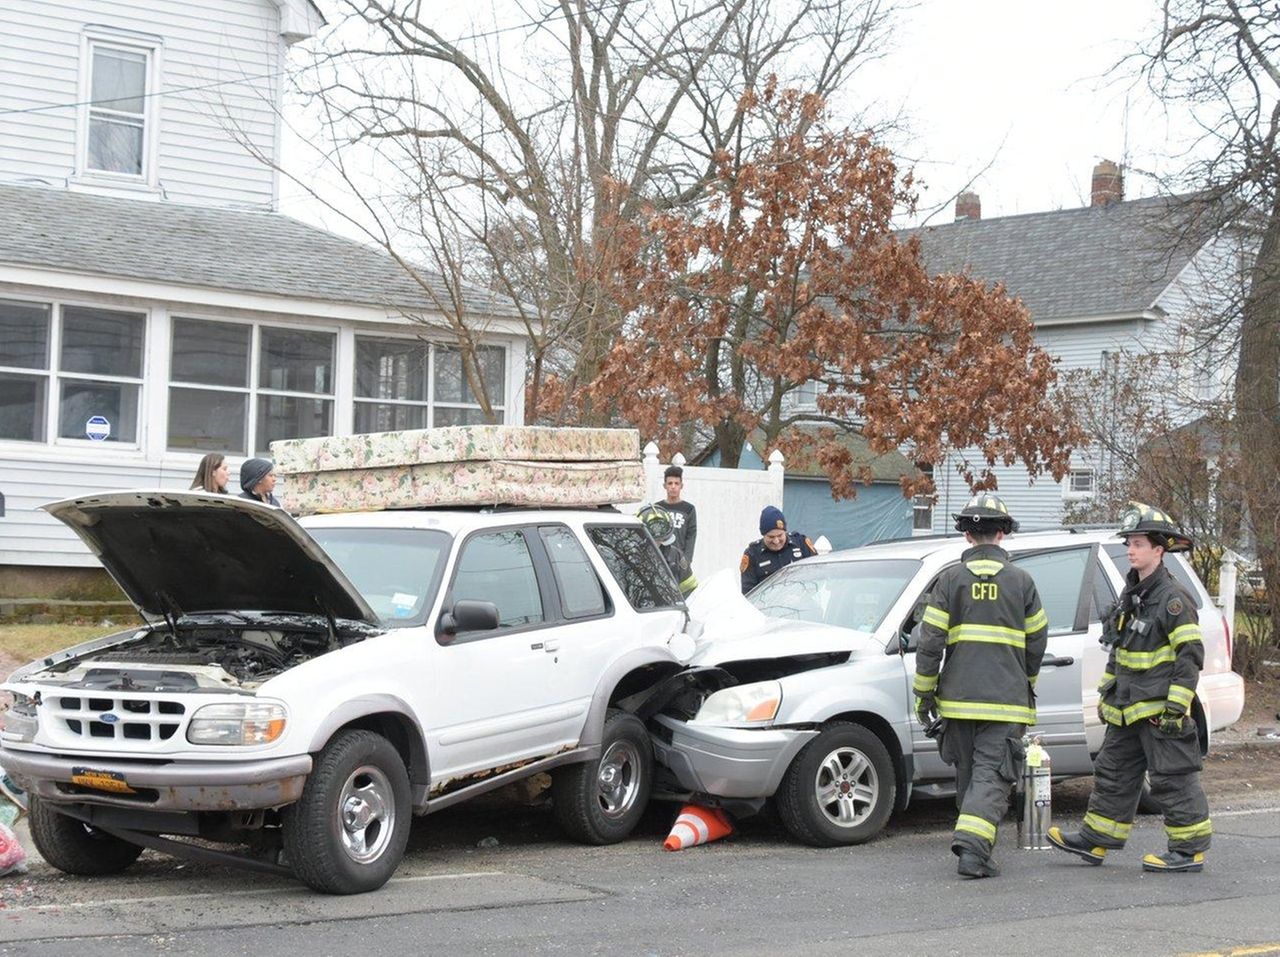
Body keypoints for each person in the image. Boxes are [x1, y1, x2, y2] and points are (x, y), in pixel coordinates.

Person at [1048, 502, 1211, 873]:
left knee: (1172, 779)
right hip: (1126, 709)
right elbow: (1119, 649)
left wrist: (1176, 708)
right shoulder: (1133, 594)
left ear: (1159, 550)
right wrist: (1108, 693)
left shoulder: (1172, 599)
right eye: (1129, 544)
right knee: (1113, 773)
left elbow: (1189, 656)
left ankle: (1188, 852)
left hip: (1158, 712)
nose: (1131, 551)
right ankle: (1096, 839)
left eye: (1138, 544)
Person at [914, 493, 1047, 879]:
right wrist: (1026, 682)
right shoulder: (1022, 582)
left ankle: (974, 843)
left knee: (971, 775)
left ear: (967, 536)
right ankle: (973, 849)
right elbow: (1037, 643)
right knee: (992, 775)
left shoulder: (949, 581)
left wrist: (924, 694)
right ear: (1002, 533)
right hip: (1005, 702)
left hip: (957, 702)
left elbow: (929, 642)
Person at [740, 506, 816, 594]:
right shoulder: (752, 554)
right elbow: (748, 593)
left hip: (803, 597)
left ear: (785, 532)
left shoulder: (800, 543)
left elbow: (817, 573)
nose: (776, 541)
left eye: (780, 535)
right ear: (763, 535)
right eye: (771, 537)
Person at [639, 503, 698, 596]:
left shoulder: (675, 556)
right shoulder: (631, 555)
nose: (656, 544)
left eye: (659, 540)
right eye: (653, 539)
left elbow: (689, 588)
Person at [662, 465, 698, 563]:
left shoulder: (689, 509)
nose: (673, 487)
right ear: (664, 486)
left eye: (676, 483)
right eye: (670, 483)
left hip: (680, 561)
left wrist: (687, 560)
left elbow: (691, 536)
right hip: (660, 559)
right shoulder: (658, 508)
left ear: (681, 486)